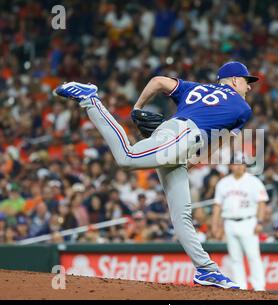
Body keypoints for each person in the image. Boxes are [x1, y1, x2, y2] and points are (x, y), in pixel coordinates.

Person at [53, 61, 259, 289]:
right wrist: (194, 160)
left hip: (177, 139)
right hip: (182, 137)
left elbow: (158, 81)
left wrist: (137, 107)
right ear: (234, 80)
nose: (248, 87)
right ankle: (90, 100)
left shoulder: (195, 87)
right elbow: (219, 139)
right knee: (127, 158)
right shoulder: (242, 107)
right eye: (246, 81)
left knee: (182, 217)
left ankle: (206, 271)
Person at [212, 160, 268, 291]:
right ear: (230, 166)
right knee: (235, 258)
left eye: (241, 163)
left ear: (245, 166)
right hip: (229, 222)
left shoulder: (254, 181)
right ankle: (241, 288)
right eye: (235, 163)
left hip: (248, 221)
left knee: (253, 256)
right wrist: (215, 225)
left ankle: (259, 287)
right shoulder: (223, 183)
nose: (238, 166)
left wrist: (259, 222)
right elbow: (217, 206)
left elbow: (262, 203)